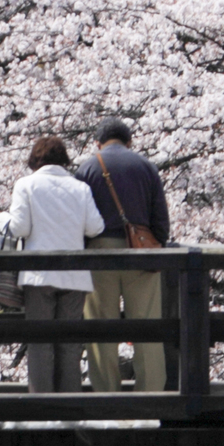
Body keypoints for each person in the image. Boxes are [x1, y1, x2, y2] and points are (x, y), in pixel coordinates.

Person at [0, 136, 105, 392]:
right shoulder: (80, 188)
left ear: (35, 160)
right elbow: (96, 227)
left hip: (39, 275)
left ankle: (42, 404)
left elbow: (19, 228)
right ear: (63, 160)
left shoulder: (26, 184)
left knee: (40, 342)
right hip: (74, 276)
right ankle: (69, 403)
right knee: (69, 344)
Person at [74, 118, 172, 393]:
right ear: (130, 142)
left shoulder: (87, 168)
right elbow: (160, 218)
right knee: (147, 327)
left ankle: (107, 396)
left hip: (99, 252)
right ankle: (150, 396)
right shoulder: (146, 167)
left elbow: (78, 217)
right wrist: (156, 244)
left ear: (98, 143)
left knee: (100, 327)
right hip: (140, 252)